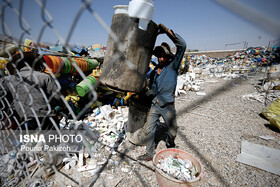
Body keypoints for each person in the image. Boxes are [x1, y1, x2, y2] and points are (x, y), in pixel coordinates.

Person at [138, 24, 186, 161]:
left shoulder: (173, 67)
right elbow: (153, 89)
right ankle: (149, 153)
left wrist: (169, 33)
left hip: (168, 106)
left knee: (172, 132)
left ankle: (170, 143)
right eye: (159, 56)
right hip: (155, 105)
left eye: (164, 56)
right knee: (149, 129)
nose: (161, 59)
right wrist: (146, 95)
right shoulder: (153, 73)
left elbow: (182, 45)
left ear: (167, 56)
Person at [0, 51, 63, 130]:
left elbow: (3, 98)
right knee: (51, 141)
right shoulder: (44, 77)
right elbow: (58, 98)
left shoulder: (8, 80)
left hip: (23, 119)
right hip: (45, 118)